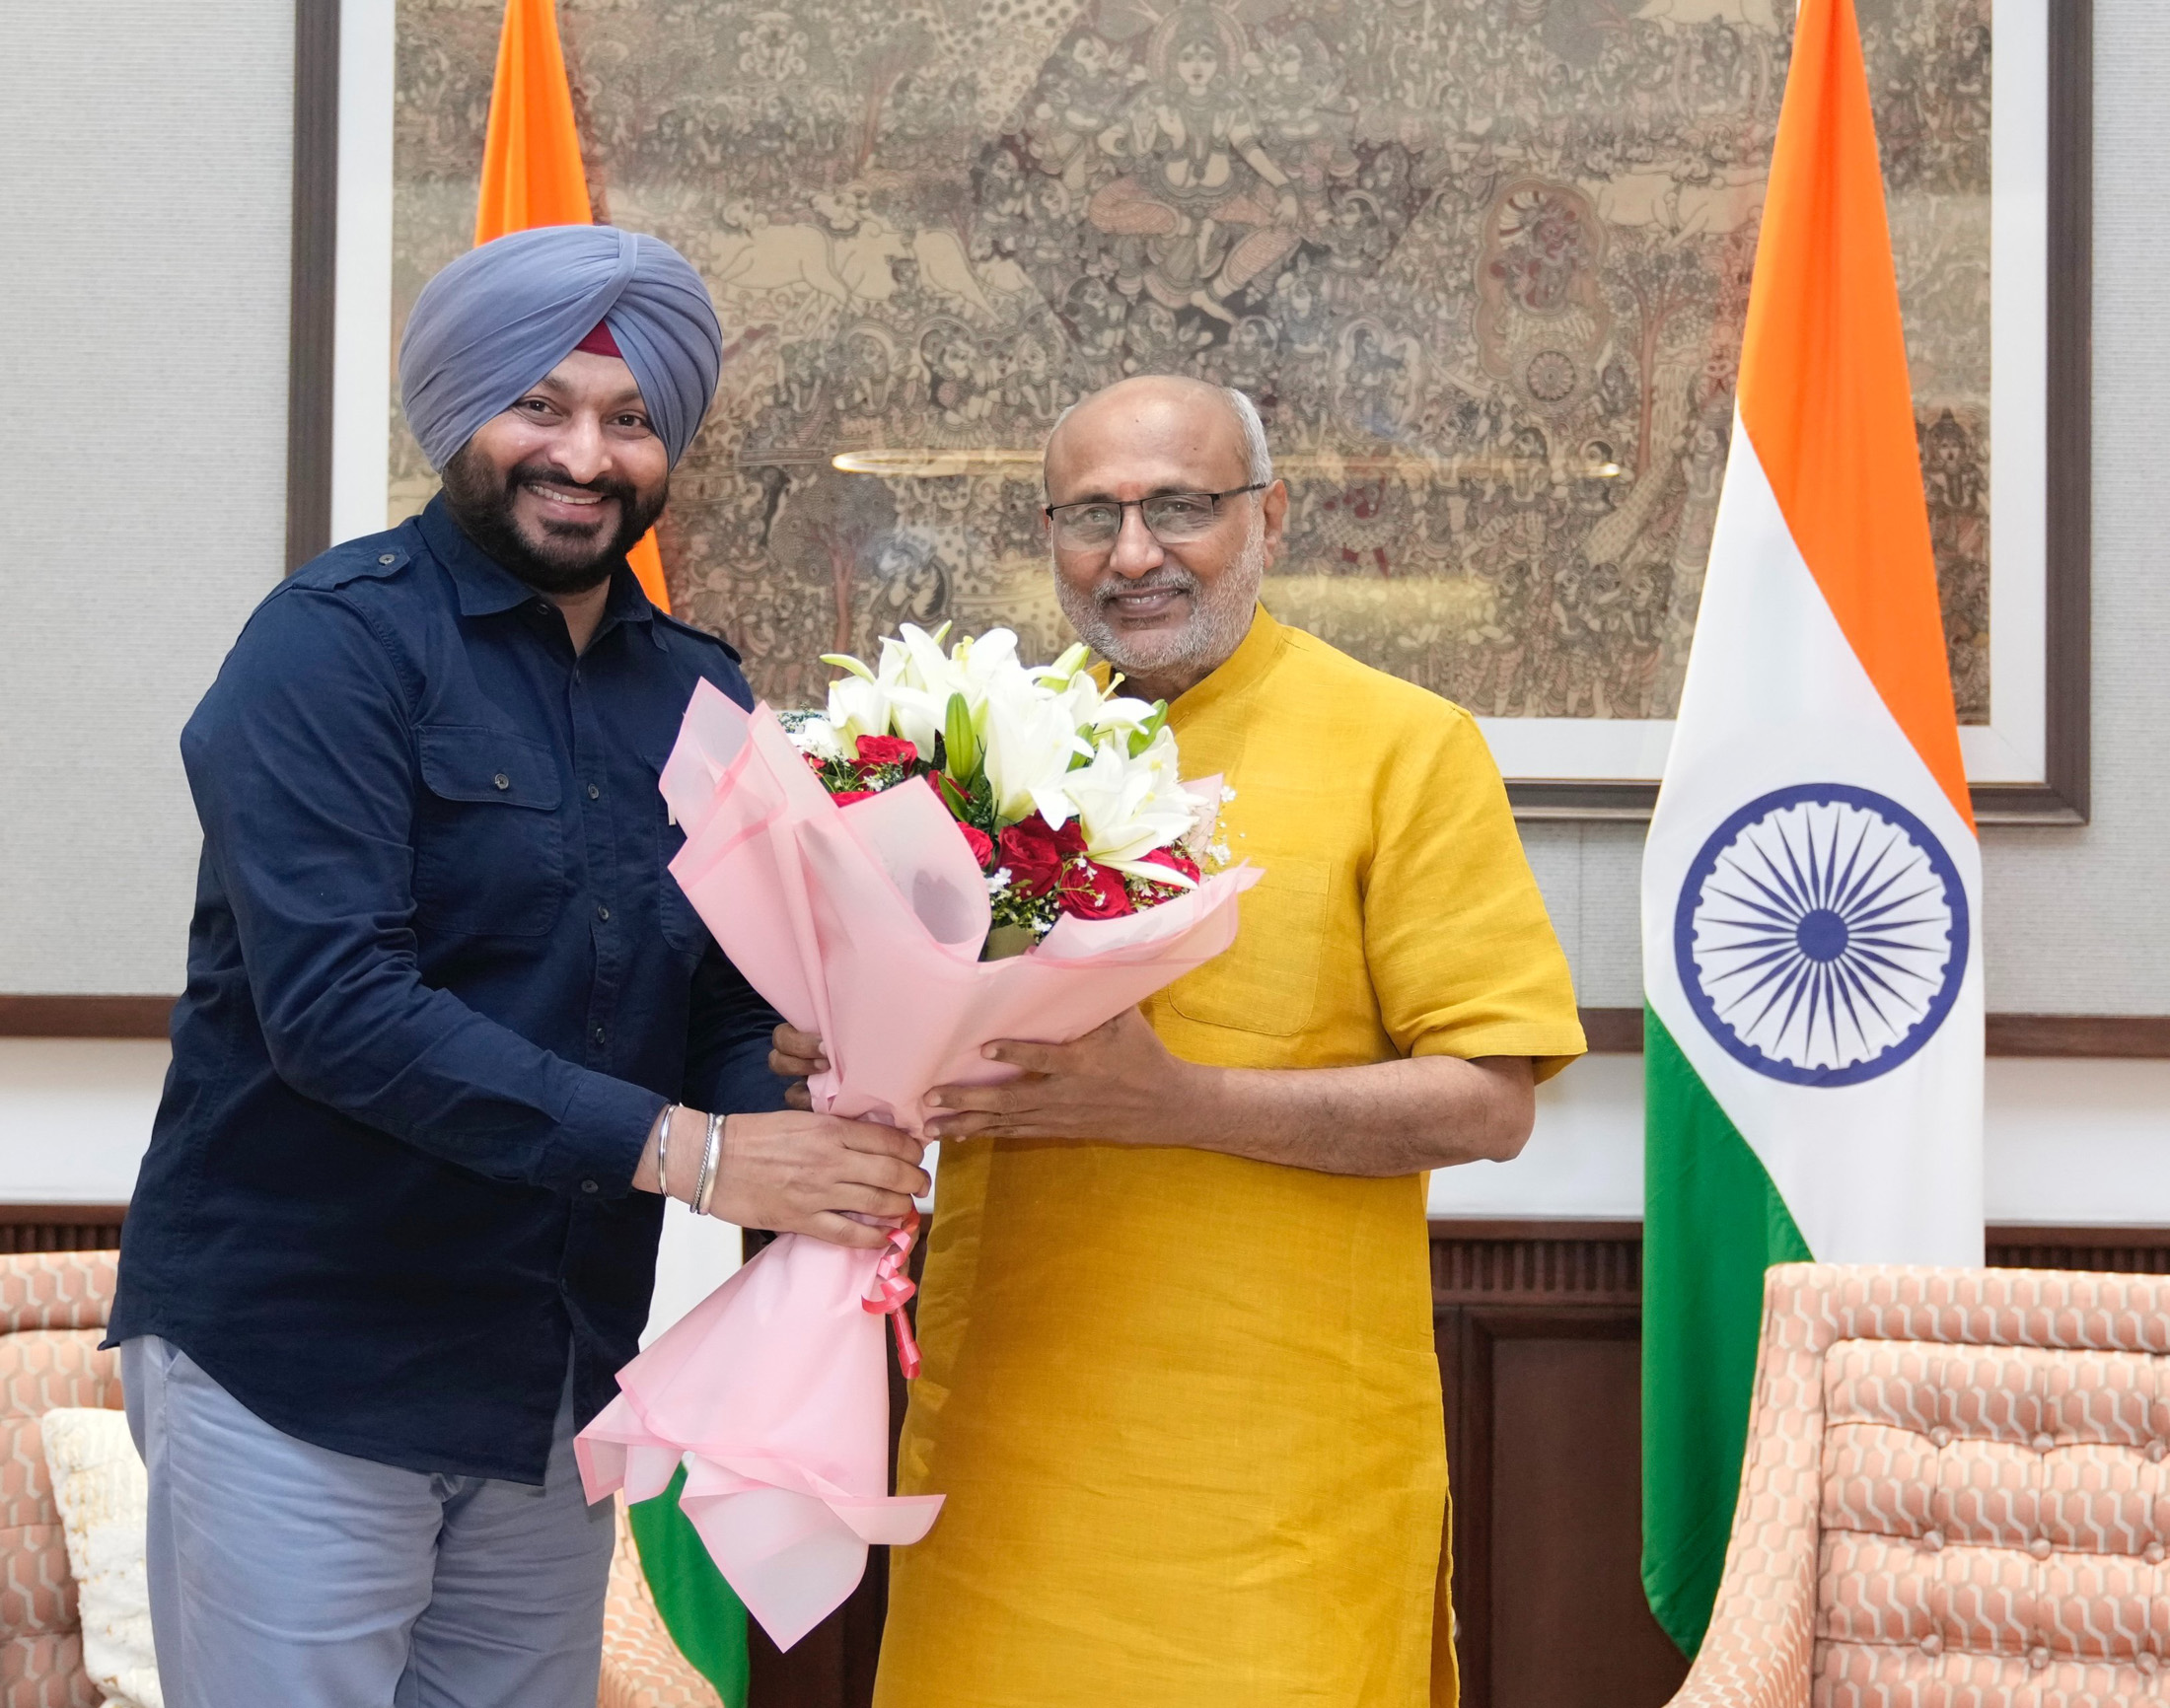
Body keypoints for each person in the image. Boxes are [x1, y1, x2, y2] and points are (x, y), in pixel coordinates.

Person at [108, 224, 929, 1708]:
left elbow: (719, 1003)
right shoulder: (329, 649)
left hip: (550, 1380)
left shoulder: (700, 688)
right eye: (539, 406)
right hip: (304, 1365)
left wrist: (827, 1118)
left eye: (631, 418)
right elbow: (341, 1015)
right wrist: (702, 1157)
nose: (586, 455)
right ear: (459, 413)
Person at [780, 375, 1586, 1707]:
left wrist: (1178, 1102)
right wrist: (838, 1041)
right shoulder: (983, 754)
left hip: (1274, 1481)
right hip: (1006, 1449)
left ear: (1272, 516)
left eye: (1181, 507)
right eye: (1092, 515)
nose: (1134, 553)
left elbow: (1487, 1105)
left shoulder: (1404, 746)